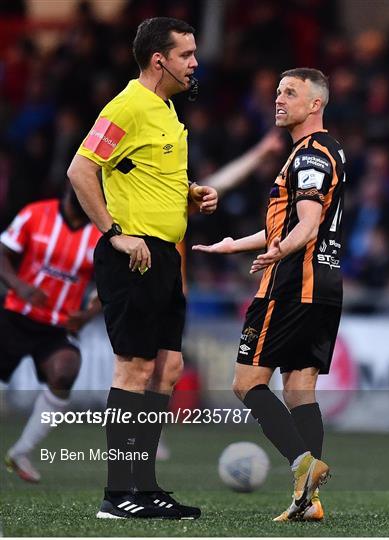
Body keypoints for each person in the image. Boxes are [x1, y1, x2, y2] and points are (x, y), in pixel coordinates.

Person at [68, 17, 217, 520]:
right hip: (133, 256)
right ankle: (116, 494)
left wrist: (191, 193)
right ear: (160, 60)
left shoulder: (167, 109)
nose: (195, 63)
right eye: (187, 54)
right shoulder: (128, 106)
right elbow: (80, 168)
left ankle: (145, 487)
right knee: (133, 369)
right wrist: (115, 233)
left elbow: (148, 173)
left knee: (168, 368)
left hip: (165, 255)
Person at [194, 68, 345, 522]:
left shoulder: (310, 155)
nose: (279, 99)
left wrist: (277, 252)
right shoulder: (323, 150)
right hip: (324, 283)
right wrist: (235, 244)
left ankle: (303, 465)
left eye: (290, 93)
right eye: (278, 91)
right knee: (300, 388)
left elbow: (307, 225)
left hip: (293, 281)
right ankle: (307, 502)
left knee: (246, 383)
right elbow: (292, 223)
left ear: (315, 104)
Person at [1, 186, 101, 482]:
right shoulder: (36, 213)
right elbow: (2, 253)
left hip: (57, 325)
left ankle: (20, 452)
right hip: (16, 314)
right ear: (71, 190)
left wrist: (87, 315)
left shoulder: (101, 235)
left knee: (65, 371)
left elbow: (111, 287)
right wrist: (18, 286)